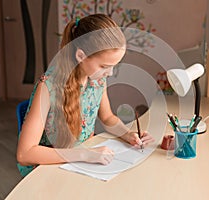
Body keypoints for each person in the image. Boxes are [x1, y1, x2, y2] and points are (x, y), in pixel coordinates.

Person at [16, 14, 154, 176]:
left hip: (83, 160)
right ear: (81, 56)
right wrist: (84, 155)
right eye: (104, 66)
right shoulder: (48, 88)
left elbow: (108, 118)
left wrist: (128, 134)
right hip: (48, 167)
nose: (109, 73)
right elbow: (25, 154)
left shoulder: (97, 79)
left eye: (114, 66)